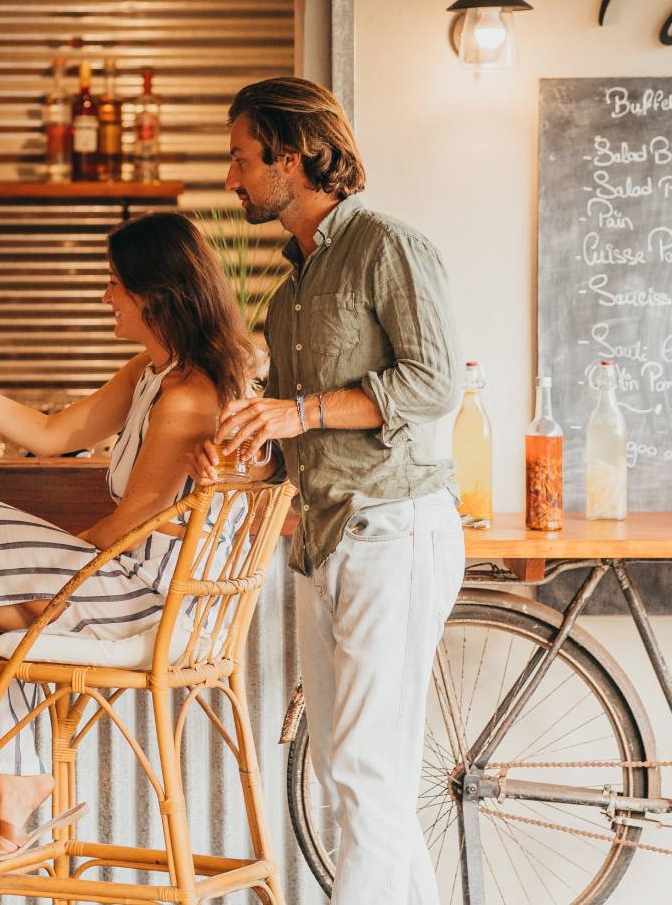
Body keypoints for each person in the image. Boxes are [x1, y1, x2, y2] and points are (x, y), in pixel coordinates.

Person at [0, 212, 258, 860]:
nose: (104, 296)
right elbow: (50, 434)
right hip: (119, 573)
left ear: (155, 296)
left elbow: (134, 520)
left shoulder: (189, 393)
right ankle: (12, 777)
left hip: (149, 596)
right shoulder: (150, 372)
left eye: (114, 283)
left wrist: (53, 567)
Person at [203, 77, 462, 904]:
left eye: (243, 159)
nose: (233, 179)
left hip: (396, 529)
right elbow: (293, 441)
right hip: (324, 544)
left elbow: (431, 384)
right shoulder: (290, 295)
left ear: (292, 153)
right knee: (344, 766)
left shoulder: (388, 246)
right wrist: (245, 458)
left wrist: (296, 410)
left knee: (363, 766)